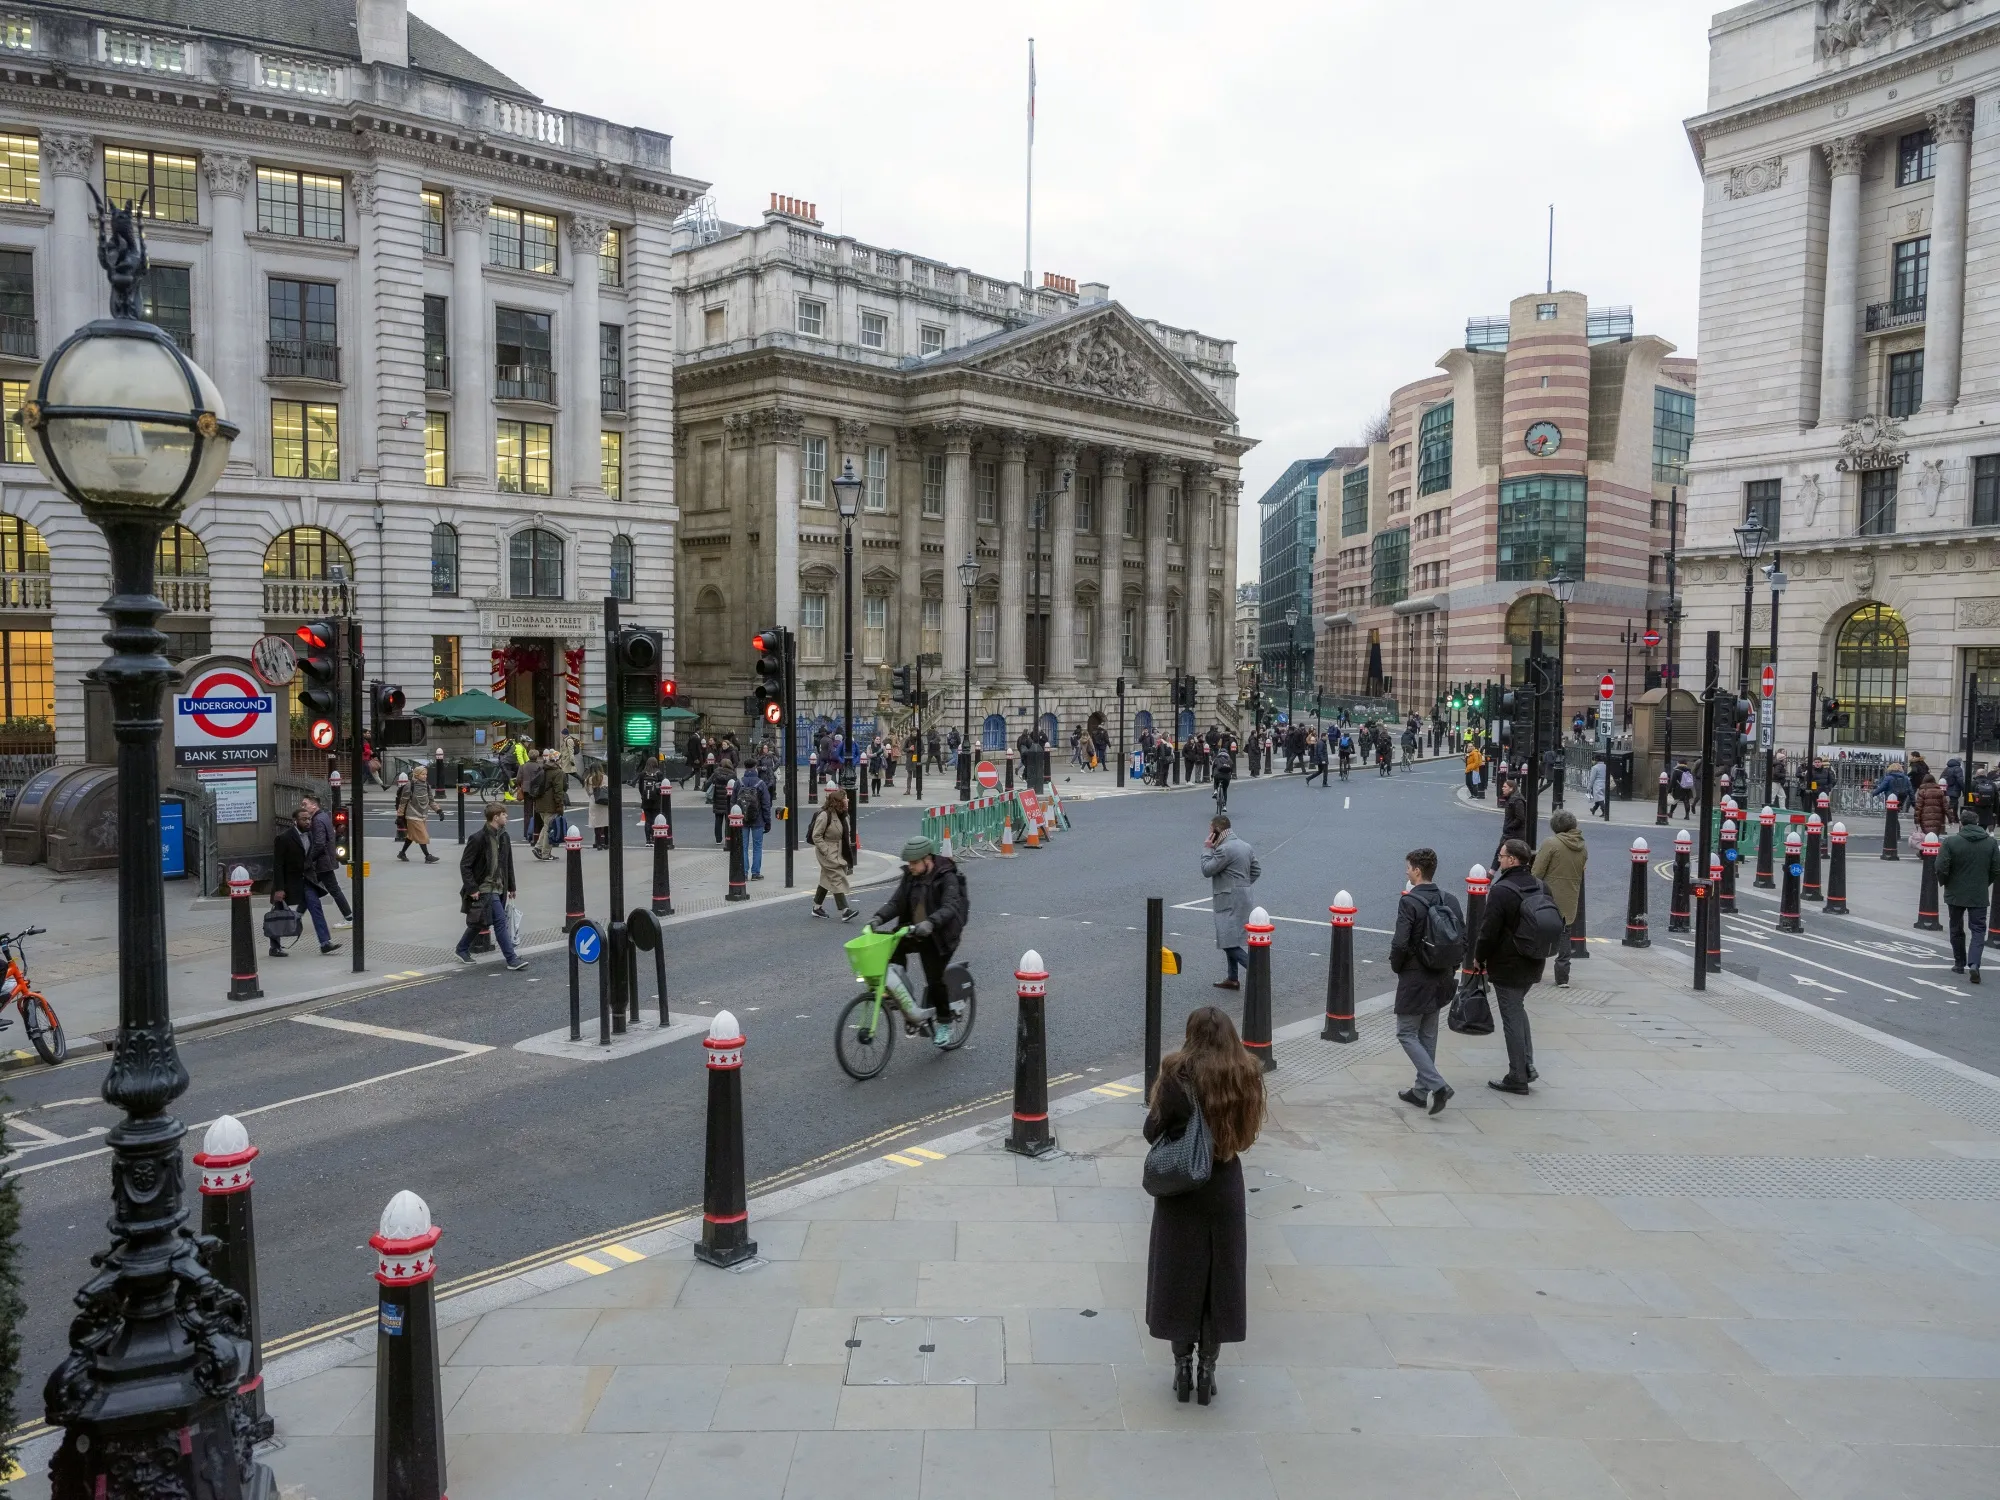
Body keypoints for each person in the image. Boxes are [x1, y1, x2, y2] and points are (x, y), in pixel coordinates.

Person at [1143, 1006, 1265, 1407]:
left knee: (1180, 1275)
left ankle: (1181, 1366)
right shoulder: (1246, 1073)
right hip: (1225, 1184)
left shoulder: (1177, 1073)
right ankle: (1208, 1366)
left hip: (1182, 1189)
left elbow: (1151, 1131)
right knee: (1219, 1276)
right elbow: (1246, 1137)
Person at [865, 835, 969, 1046]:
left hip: (940, 936)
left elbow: (950, 907)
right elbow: (896, 902)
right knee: (891, 948)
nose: (910, 867)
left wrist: (930, 923)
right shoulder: (911, 877)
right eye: (909, 863)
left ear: (927, 859)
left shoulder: (946, 876)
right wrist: (878, 918)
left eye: (914, 863)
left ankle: (944, 1023)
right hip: (915, 930)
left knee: (934, 980)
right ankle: (903, 999)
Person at [1389, 848, 1460, 1115]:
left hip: (1416, 977)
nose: (1406, 872)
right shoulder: (1448, 899)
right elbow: (1461, 939)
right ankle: (1420, 1092)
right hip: (1441, 976)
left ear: (1417, 871)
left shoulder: (1409, 902)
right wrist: (1450, 968)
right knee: (1428, 1034)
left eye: (1408, 868)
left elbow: (1400, 943)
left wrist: (1398, 967)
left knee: (1406, 1032)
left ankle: (1437, 1085)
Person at [1476, 838, 1548, 1093]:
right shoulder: (1539, 885)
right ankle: (1527, 1065)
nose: (1499, 858)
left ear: (1513, 860)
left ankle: (1518, 1076)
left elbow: (1488, 932)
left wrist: (1478, 957)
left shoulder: (1502, 890)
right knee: (1518, 1010)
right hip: (1534, 959)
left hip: (1508, 964)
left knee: (1512, 1018)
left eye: (1503, 855)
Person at [456, 801, 527, 969]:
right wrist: (472, 888)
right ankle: (511, 959)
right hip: (484, 887)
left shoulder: (504, 836)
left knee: (481, 921)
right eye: (504, 815)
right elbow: (465, 865)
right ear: (496, 817)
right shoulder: (478, 838)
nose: (507, 817)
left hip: (500, 887)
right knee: (500, 922)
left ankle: (461, 948)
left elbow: (508, 863)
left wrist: (512, 886)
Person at [1200, 814, 1260, 991]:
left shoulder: (1224, 849)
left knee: (1227, 941)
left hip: (1229, 899)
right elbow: (1256, 870)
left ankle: (1258, 970)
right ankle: (1232, 978)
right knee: (1231, 938)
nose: (1209, 834)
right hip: (1244, 898)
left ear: (1217, 831)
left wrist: (1206, 849)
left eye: (1211, 831)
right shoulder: (1245, 846)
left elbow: (1207, 870)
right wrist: (1243, 886)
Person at [1938, 814, 2000, 981]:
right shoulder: (1991, 843)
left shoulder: (1950, 842)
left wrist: (1945, 882)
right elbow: (1996, 869)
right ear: (1977, 823)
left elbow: (1941, 867)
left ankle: (1959, 964)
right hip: (1978, 893)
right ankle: (1974, 964)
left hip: (1955, 893)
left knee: (1956, 927)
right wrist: (1984, 884)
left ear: (1961, 824)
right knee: (1978, 930)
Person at [271, 805, 339, 956]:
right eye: (304, 819)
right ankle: (274, 947)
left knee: (316, 906)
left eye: (309, 819)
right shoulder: (284, 838)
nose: (308, 822)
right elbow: (278, 865)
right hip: (288, 882)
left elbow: (309, 857)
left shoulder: (309, 835)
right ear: (294, 821)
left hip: (306, 880)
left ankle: (325, 943)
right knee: (279, 913)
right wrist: (279, 888)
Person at [1532, 808, 1588, 987]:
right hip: (1570, 898)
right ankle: (1563, 977)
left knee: (1540, 934)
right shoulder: (1582, 846)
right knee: (1564, 936)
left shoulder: (1551, 843)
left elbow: (1537, 872)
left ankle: (1535, 972)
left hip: (1547, 898)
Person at [298, 794, 353, 928]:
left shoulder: (317, 820)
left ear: (314, 805)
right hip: (325, 860)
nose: (302, 807)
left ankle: (349, 918)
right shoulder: (323, 816)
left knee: (333, 889)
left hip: (322, 863)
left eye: (305, 804)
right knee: (310, 887)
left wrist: (309, 860)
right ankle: (297, 916)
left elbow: (319, 843)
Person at [809, 787, 856, 920]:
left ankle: (816, 908)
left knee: (826, 877)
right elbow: (816, 836)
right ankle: (845, 910)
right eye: (845, 798)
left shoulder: (843, 814)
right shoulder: (824, 815)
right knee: (836, 877)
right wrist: (826, 851)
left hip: (838, 850)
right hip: (827, 851)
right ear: (838, 801)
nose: (848, 800)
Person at [529, 749, 568, 860]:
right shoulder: (558, 772)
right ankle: (545, 853)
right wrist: (559, 805)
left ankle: (538, 847)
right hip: (550, 805)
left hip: (540, 803)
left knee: (546, 827)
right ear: (557, 760)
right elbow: (558, 791)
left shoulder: (543, 769)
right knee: (549, 829)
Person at [397, 766, 440, 864]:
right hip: (412, 815)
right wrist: (400, 815)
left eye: (426, 774)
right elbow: (403, 802)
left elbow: (431, 801)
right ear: (417, 775)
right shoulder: (409, 785)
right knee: (423, 836)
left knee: (411, 836)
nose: (425, 776)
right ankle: (427, 856)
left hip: (422, 815)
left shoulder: (426, 785)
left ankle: (402, 853)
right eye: (423, 774)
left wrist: (439, 811)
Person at [739, 763, 771, 880]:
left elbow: (732, 803)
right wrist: (767, 822)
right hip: (758, 820)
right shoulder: (760, 784)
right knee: (757, 846)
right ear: (755, 768)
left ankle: (744, 872)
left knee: (743, 846)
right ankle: (755, 873)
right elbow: (766, 805)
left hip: (742, 819)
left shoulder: (739, 783)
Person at [1496, 776, 1528, 867]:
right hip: (1509, 832)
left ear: (1511, 788)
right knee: (1500, 853)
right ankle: (1491, 874)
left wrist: (1510, 826)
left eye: (1505, 787)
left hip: (1514, 834)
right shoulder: (1510, 798)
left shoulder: (1517, 800)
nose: (1502, 788)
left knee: (1506, 855)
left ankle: (1492, 874)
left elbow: (1520, 818)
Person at [1914, 771, 1950, 842]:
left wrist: (1916, 821)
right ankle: (1934, 851)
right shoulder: (1940, 791)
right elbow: (1946, 806)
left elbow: (1918, 807)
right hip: (1937, 819)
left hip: (1925, 819)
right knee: (1935, 837)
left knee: (1926, 837)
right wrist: (1951, 819)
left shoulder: (1922, 791)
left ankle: (1924, 852)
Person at [586, 763, 611, 849]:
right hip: (604, 802)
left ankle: (598, 843)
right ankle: (607, 843)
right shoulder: (605, 777)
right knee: (606, 822)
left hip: (594, 801)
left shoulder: (589, 779)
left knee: (597, 824)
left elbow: (589, 792)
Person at [1210, 739, 1234, 812]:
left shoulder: (1217, 759)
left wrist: (1212, 776)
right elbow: (1231, 769)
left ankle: (1215, 791)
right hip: (1226, 777)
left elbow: (1213, 767)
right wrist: (1231, 776)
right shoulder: (1229, 760)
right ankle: (1224, 806)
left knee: (1216, 780)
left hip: (1218, 775)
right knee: (1225, 790)